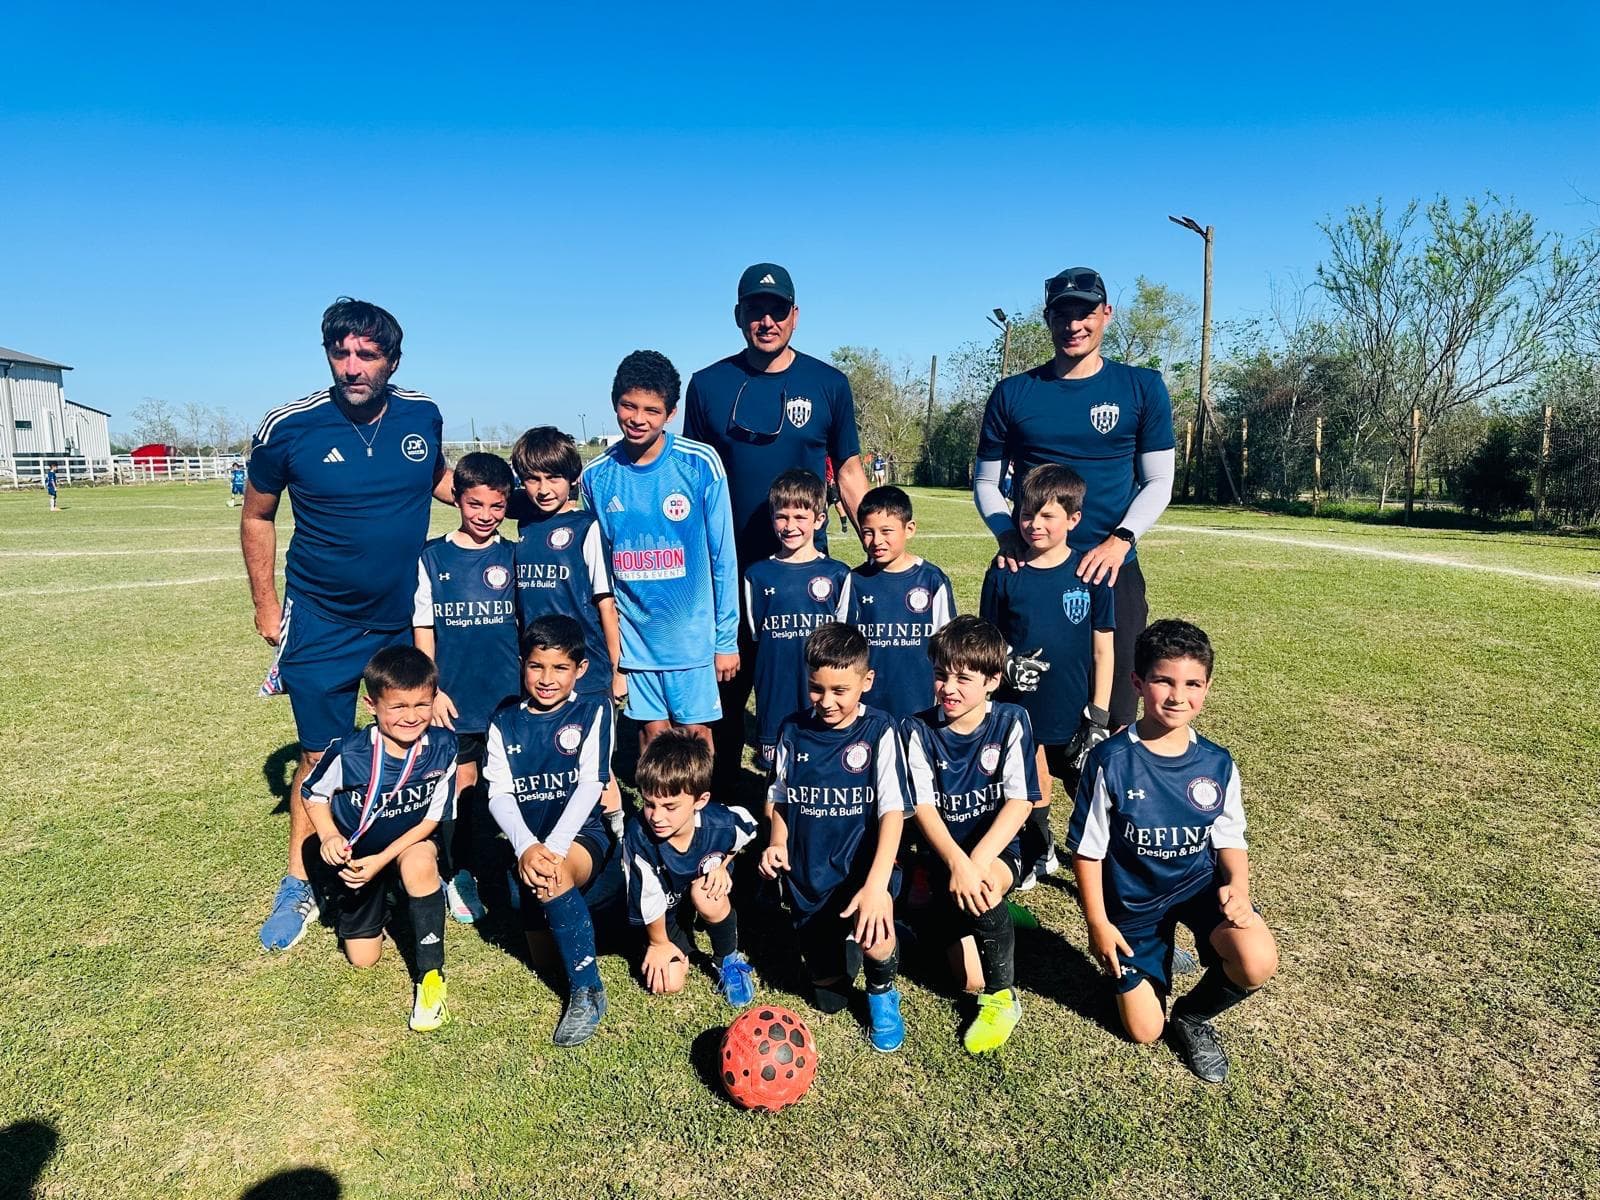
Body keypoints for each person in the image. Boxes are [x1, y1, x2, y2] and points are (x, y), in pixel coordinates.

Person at [244, 297, 450, 951]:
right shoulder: (289, 427)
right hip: (322, 621)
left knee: (411, 748)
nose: (353, 365)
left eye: (368, 354)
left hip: (398, 621)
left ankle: (416, 867)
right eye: (342, 352)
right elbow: (256, 516)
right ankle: (298, 883)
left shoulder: (422, 413)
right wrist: (265, 603)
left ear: (393, 359)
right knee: (320, 756)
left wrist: (514, 496)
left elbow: (437, 479)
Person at [683, 263, 870, 798]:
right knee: (725, 694)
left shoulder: (828, 383)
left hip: (807, 577)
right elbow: (694, 481)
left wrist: (875, 550)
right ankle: (717, 808)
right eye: (754, 310)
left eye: (777, 310)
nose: (767, 321)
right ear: (738, 316)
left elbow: (850, 472)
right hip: (729, 575)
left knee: (811, 690)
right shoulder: (708, 386)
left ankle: (812, 802)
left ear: (795, 314)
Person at [1066, 619, 1279, 1083]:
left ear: (1207, 688)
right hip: (1133, 904)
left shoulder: (1217, 763)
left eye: (1192, 684)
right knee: (1143, 1031)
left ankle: (1192, 1016)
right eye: (1163, 680)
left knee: (1256, 959)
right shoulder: (1112, 761)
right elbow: (1088, 852)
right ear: (1138, 683)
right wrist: (1098, 925)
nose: (1177, 696)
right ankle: (1154, 954)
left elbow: (1229, 838)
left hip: (1196, 889)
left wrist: (1238, 889)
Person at [974, 268, 1176, 730]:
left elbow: (1159, 480)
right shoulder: (1014, 392)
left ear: (1106, 313)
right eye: (1062, 314)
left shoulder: (1142, 387)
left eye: (1085, 312)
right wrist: (1007, 534)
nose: (1074, 324)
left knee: (1119, 712)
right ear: (1048, 318)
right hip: (1032, 573)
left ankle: (1109, 796)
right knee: (1025, 710)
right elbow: (985, 482)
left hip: (1112, 570)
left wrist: (1120, 540)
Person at [581, 351, 738, 755]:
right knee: (653, 737)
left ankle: (696, 814)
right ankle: (659, 817)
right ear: (615, 402)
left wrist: (726, 640)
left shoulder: (700, 463)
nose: (638, 418)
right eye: (628, 406)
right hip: (635, 642)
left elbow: (723, 558)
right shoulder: (596, 476)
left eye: (652, 410)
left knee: (695, 738)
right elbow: (598, 572)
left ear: (670, 413)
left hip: (691, 640)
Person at [759, 623, 907, 1052]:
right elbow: (782, 799)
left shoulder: (880, 730)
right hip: (809, 871)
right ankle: (842, 948)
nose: (827, 702)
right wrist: (777, 843)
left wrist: (876, 885)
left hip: (862, 874)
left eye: (840, 690)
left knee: (877, 938)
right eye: (816, 689)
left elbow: (893, 812)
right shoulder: (792, 730)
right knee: (827, 997)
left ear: (867, 681)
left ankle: (882, 990)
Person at [301, 646, 458, 1032]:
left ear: (434, 699)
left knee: (421, 862)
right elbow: (313, 794)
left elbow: (434, 817)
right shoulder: (349, 753)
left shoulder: (444, 747)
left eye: (421, 704)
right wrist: (328, 836)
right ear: (372, 704)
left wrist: (383, 860)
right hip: (358, 858)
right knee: (363, 959)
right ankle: (367, 897)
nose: (411, 716)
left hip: (405, 846)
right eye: (398, 706)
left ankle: (430, 980)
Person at [484, 616, 623, 1047]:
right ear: (522, 664)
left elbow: (590, 784)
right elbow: (499, 795)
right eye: (536, 666)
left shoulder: (594, 710)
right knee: (545, 960)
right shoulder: (504, 721)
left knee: (554, 878)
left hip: (582, 837)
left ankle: (589, 991)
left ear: (580, 669)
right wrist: (526, 846)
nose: (546, 679)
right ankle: (573, 923)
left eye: (560, 668)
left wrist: (555, 849)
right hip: (530, 846)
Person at [903, 617, 1040, 1054]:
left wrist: (974, 864)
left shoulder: (1012, 721)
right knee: (965, 979)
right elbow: (922, 808)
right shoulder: (917, 729)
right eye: (942, 675)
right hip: (944, 860)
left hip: (995, 853)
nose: (949, 688)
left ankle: (1003, 999)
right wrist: (956, 864)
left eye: (964, 678)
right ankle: (979, 918)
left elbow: (1020, 803)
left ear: (993, 681)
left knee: (981, 891)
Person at [980, 463, 1115, 887]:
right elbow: (989, 640)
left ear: (1073, 519)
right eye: (1025, 514)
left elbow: (1103, 650)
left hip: (1075, 705)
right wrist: (1005, 664)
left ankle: (1102, 859)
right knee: (1031, 775)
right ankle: (1040, 848)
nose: (1033, 524)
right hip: (1022, 704)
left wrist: (1099, 716)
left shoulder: (1090, 573)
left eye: (1047, 515)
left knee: (1088, 786)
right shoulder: (1003, 572)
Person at [412, 451, 522, 924]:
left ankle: (510, 866)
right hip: (455, 700)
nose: (485, 516)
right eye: (475, 504)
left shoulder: (513, 556)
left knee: (509, 786)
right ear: (456, 499)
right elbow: (423, 630)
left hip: (507, 697)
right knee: (462, 787)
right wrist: (432, 690)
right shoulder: (433, 558)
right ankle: (459, 874)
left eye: (496, 507)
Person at [621, 730, 758, 1004]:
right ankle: (679, 934)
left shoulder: (720, 822)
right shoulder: (638, 836)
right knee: (668, 981)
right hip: (667, 905)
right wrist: (658, 944)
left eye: (670, 806)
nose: (657, 817)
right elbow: (648, 900)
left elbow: (750, 828)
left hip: (698, 889)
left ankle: (728, 958)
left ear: (700, 801)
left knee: (707, 894)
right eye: (649, 804)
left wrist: (722, 865)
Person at [742, 469, 850, 770]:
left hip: (823, 694)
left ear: (819, 519)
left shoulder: (838, 575)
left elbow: (843, 642)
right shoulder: (757, 576)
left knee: (825, 767)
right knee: (777, 776)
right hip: (776, 692)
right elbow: (756, 636)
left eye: (800, 517)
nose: (790, 526)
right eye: (782, 517)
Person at [509, 426, 623, 708]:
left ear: (572, 479)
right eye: (533, 479)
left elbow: (606, 604)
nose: (544, 489)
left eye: (553, 478)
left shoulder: (586, 527)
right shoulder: (525, 526)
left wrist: (618, 669)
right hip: (540, 668)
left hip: (586, 668)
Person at [840, 485, 955, 718]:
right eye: (867, 532)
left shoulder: (933, 580)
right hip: (866, 707)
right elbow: (841, 646)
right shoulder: (854, 581)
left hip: (919, 702)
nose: (876, 540)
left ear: (909, 529)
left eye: (886, 531)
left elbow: (949, 646)